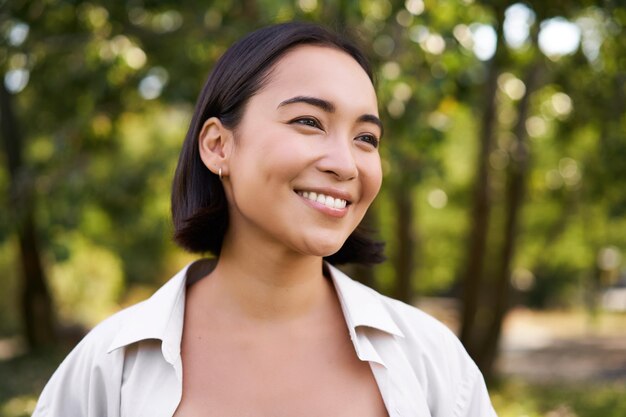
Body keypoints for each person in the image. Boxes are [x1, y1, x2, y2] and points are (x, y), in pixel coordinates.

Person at [33, 22, 497, 416]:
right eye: (309, 122)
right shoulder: (109, 366)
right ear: (218, 146)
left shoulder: (433, 360)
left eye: (367, 138)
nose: (346, 164)